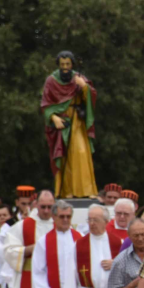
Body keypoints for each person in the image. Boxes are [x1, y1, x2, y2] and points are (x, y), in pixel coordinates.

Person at [42, 51, 99, 198]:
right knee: (64, 157)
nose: (65, 68)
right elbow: (45, 105)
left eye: (68, 64)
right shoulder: (51, 81)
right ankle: (67, 191)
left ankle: (86, 191)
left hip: (77, 121)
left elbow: (91, 96)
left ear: (72, 64)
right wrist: (53, 117)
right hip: (63, 122)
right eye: (62, 65)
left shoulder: (79, 78)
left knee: (80, 153)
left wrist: (84, 87)